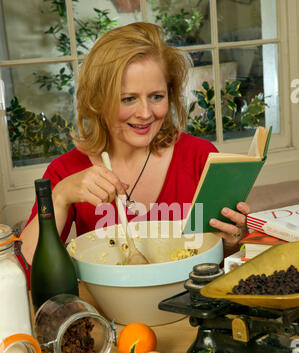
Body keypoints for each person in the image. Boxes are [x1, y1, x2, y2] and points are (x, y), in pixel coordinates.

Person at [20, 22, 250, 271]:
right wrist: (60, 197)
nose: (145, 113)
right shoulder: (65, 171)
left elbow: (224, 264)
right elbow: (29, 271)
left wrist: (233, 242)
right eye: (128, 99)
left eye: (157, 97)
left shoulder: (201, 158)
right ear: (98, 101)